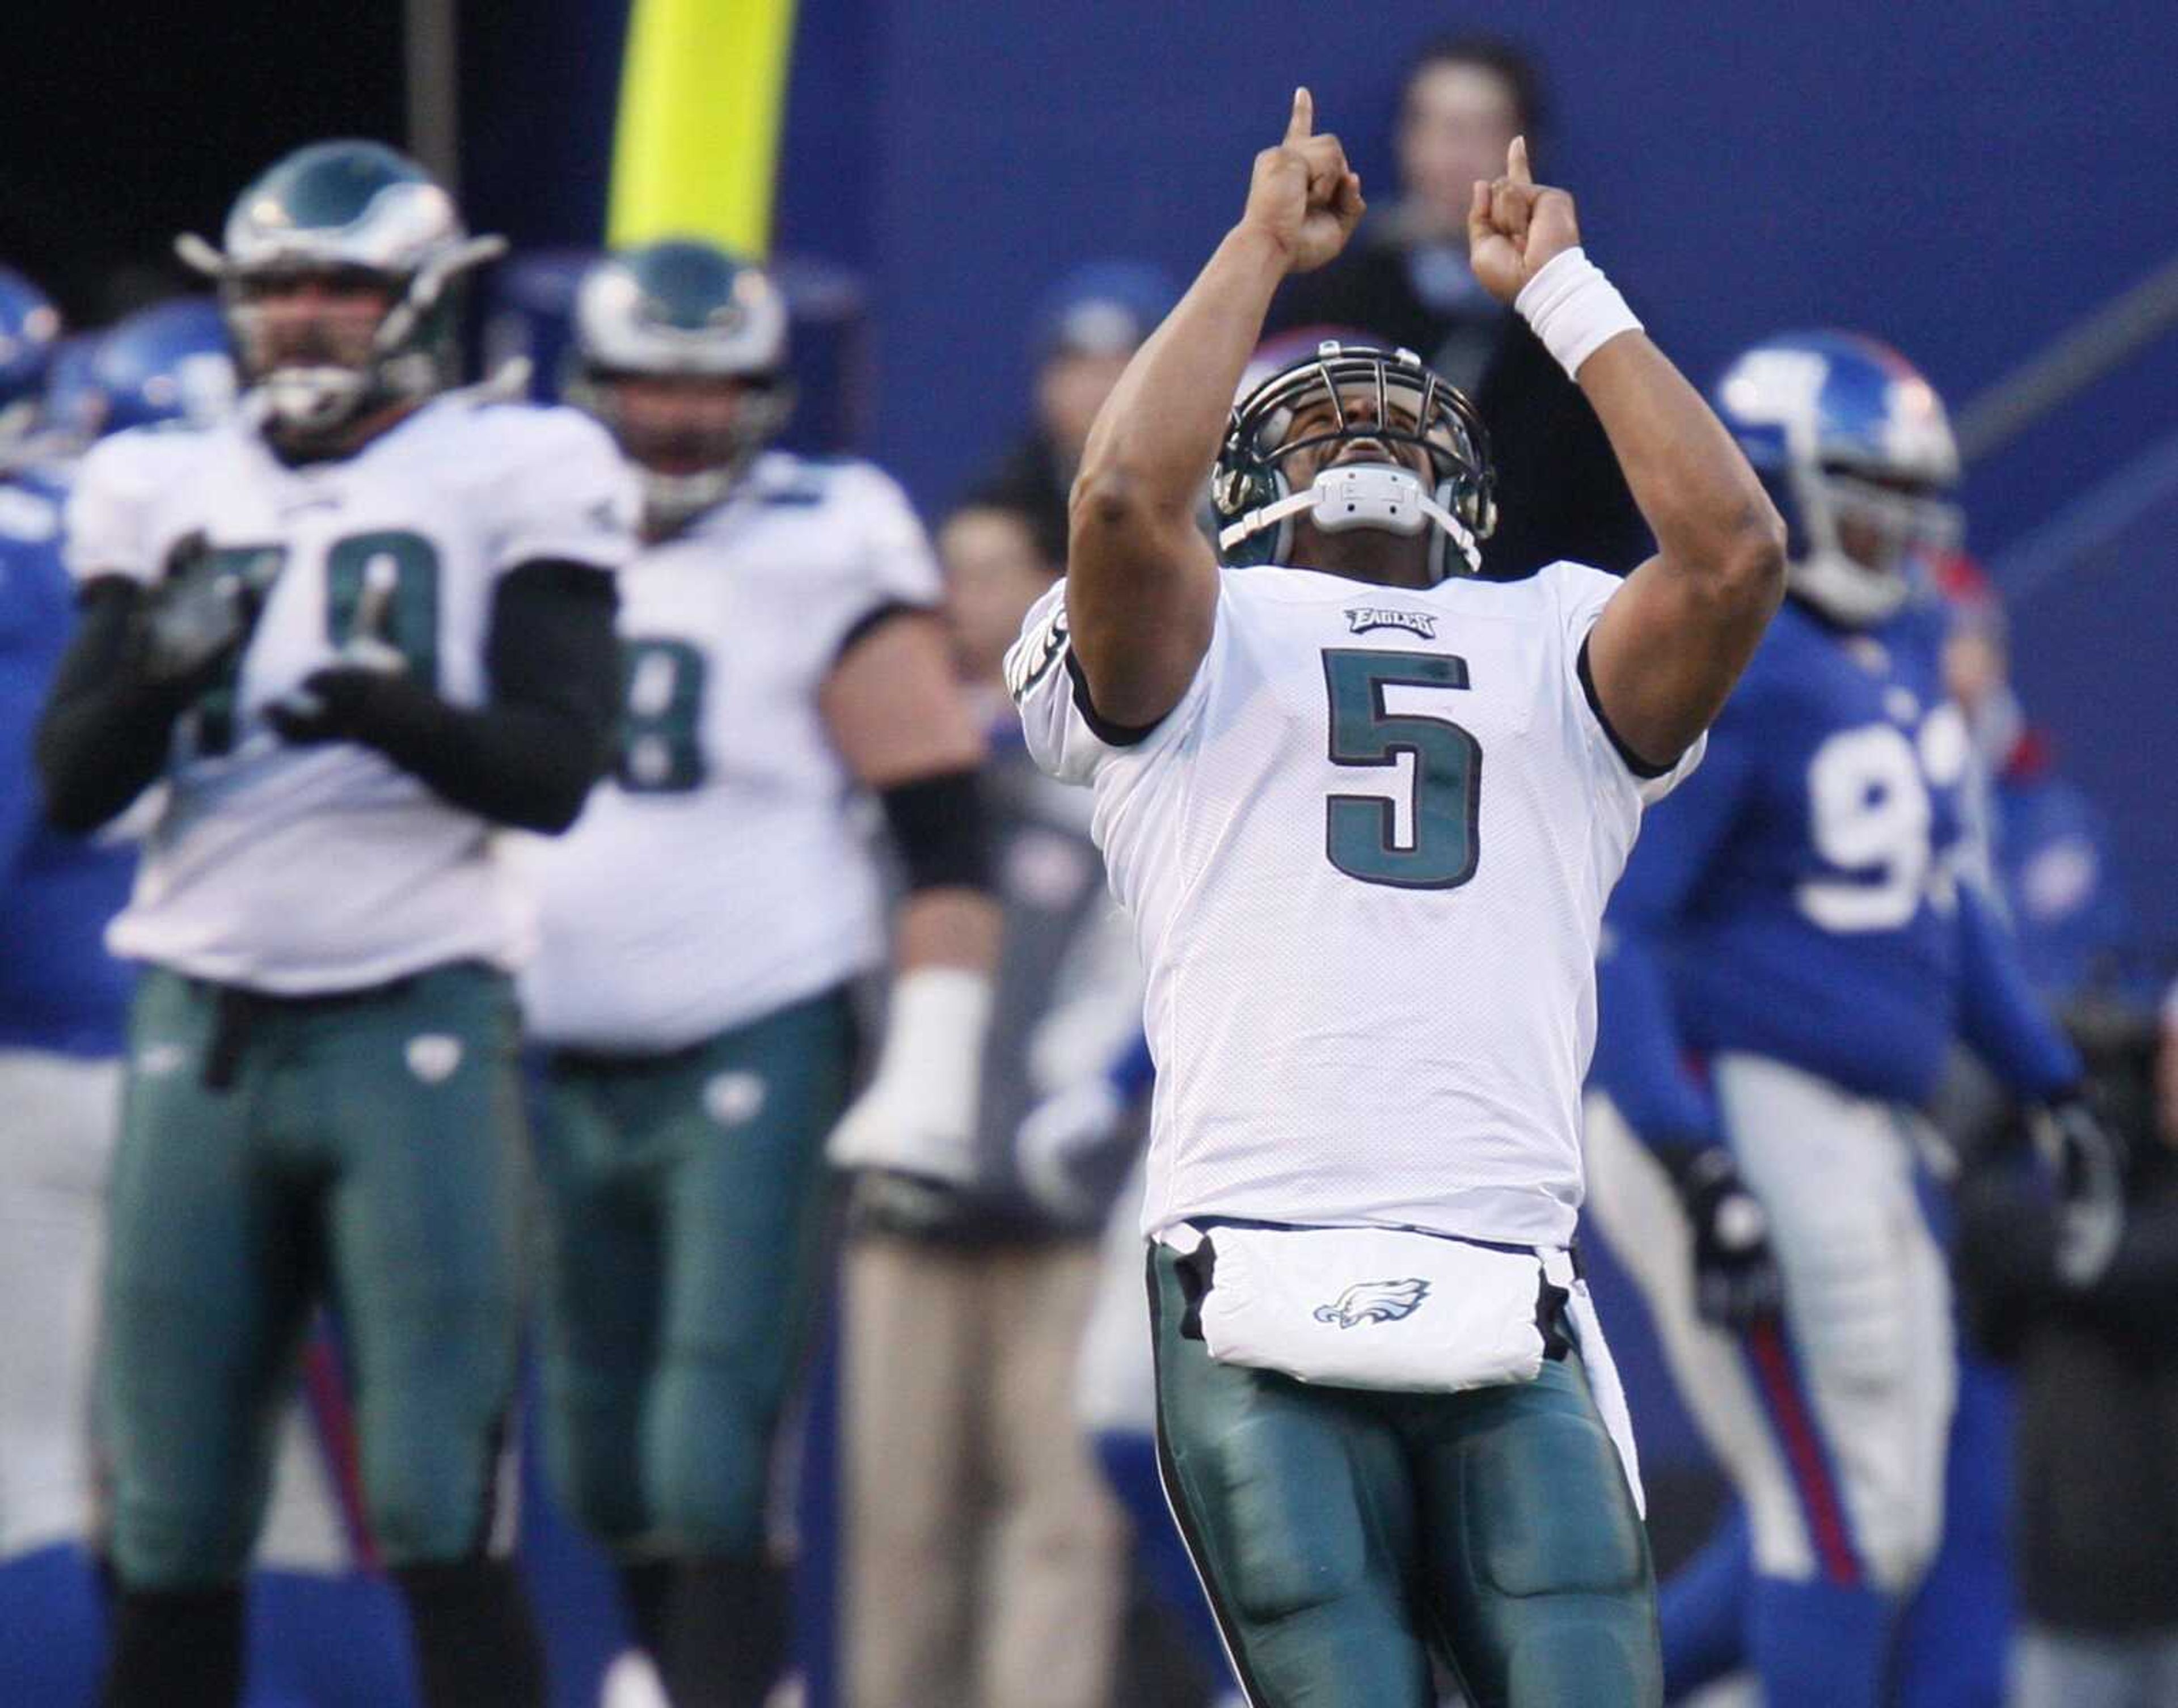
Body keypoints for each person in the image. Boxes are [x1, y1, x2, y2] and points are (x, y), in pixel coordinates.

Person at [1007, 88, 1787, 1706]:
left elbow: (1731, 558)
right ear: (1240, 487)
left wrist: (1566, 296)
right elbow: (1116, 509)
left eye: (1391, 424)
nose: (1359, 440)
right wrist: (1254, 254)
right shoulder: (1190, 635)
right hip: (1253, 1262)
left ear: (1472, 486)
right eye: (1315, 426)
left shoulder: (1553, 641)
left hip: (1507, 1263)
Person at [33, 140, 635, 1708]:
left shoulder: (517, 463)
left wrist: (396, 715)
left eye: (341, 286)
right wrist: (157, 666)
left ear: (422, 302)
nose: (303, 317)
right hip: (202, 1022)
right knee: (166, 1514)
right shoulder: (160, 477)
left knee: (440, 1497)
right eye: (278, 286)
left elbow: (556, 770)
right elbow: (75, 781)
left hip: (413, 1010)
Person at [1581, 331, 2120, 1708]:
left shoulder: (1906, 642)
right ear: (1778, 479)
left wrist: (2050, 1084)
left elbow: (1942, 904)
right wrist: (1693, 1162)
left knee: (1877, 1516)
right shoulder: (1730, 661)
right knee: (1823, 1509)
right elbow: (1621, 932)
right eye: (1866, 491)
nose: (1896, 527)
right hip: (1733, 1100)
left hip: (1857, 1123)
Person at [513, 237, 1001, 1708]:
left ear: (765, 396)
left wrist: (930, 1063)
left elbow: (942, 823)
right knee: (596, 1448)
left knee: (710, 1436)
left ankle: (717, 1680)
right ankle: (694, 1677)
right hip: (558, 1039)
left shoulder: (823, 531)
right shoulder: (510, 516)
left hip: (757, 1018)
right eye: (649, 388)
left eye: (708, 390)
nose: (675, 420)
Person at [839, 497, 1132, 1708]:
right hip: (912, 1210)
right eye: (952, 575)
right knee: (900, 1531)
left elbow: (1135, 979)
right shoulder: (877, 781)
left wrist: (1078, 1124)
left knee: (1061, 1522)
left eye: (1000, 571)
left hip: (1064, 1216)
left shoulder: (1110, 766)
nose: (973, 599)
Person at [1263, 35, 1643, 580]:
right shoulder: (1333, 293)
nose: (1451, 157)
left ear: (1525, 149)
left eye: (1479, 131)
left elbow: (1607, 519)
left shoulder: (1575, 315)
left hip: (1515, 619)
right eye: (1435, 128)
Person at [0, 259, 130, 1708]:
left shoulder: (16, 557)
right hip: (163, 1044)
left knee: (24, 1481)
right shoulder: (99, 533)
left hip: (42, 1063)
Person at [1955, 986, 2178, 1708]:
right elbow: (1986, 1239)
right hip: (2074, 1601)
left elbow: (2132, 1271)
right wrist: (2053, 1076)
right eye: (2170, 1053)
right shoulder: (2115, 1168)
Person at [968, 261, 1176, 566]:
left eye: (1119, 368)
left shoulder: (1218, 491)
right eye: (1079, 368)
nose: (1096, 390)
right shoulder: (1009, 502)